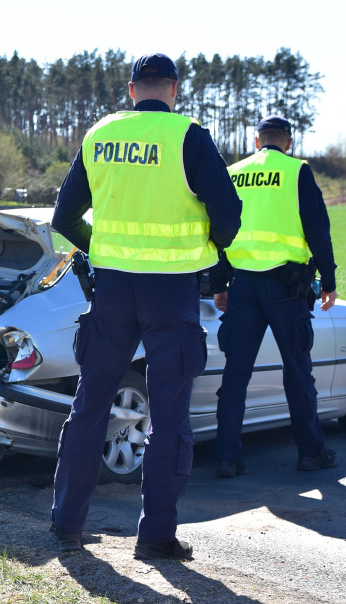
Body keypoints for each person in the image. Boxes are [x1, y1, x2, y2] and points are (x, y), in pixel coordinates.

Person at [49, 53, 242, 561]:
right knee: (170, 414)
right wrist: (211, 248)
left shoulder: (99, 135)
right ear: (173, 89)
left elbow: (64, 216)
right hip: (172, 290)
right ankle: (155, 537)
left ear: (132, 89)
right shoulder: (190, 136)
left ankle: (67, 525)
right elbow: (228, 217)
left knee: (90, 406)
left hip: (112, 289)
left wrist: (100, 249)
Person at [211, 115, 339, 477]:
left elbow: (220, 232)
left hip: (244, 286)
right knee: (297, 370)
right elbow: (318, 231)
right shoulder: (297, 171)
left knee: (236, 373)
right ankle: (311, 454)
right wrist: (328, 280)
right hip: (287, 286)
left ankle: (227, 458)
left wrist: (220, 284)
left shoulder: (234, 173)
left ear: (256, 142)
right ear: (289, 143)